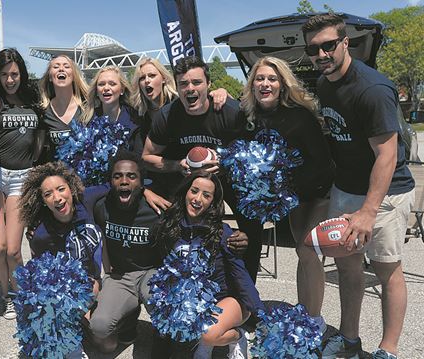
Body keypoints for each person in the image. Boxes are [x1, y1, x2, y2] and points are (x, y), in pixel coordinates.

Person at [302, 14, 415, 359]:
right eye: (313, 48)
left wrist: (367, 211)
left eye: (328, 45)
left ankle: (388, 350)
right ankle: (350, 339)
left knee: (386, 270)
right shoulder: (324, 84)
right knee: (347, 266)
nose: (321, 54)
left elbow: (387, 155)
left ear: (345, 42)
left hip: (385, 193)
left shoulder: (372, 88)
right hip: (345, 189)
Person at [142, 56, 261, 282]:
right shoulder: (168, 116)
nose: (190, 89)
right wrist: (177, 165)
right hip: (190, 180)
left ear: (208, 84)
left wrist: (227, 163)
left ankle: (246, 296)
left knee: (251, 227)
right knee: (171, 227)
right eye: (183, 84)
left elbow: (254, 155)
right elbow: (147, 157)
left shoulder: (230, 111)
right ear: (176, 87)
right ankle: (181, 286)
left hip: (230, 177)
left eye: (196, 82)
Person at [238, 56, 335, 333]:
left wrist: (281, 184)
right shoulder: (250, 117)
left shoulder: (299, 116)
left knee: (307, 250)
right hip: (292, 198)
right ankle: (304, 314)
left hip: (317, 192)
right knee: (302, 253)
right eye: (260, 78)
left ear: (282, 83)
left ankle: (314, 323)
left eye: (272, 78)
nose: (265, 84)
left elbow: (323, 163)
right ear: (252, 84)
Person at [153, 171, 264, 359]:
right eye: (194, 191)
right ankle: (206, 340)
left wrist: (261, 314)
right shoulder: (170, 229)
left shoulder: (223, 233)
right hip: (196, 304)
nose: (198, 199)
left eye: (206, 195)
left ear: (213, 202)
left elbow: (241, 276)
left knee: (208, 333)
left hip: (230, 300)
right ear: (185, 192)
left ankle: (237, 337)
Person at [0, 48, 44, 320]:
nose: (10, 80)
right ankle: (8, 296)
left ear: (22, 74)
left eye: (14, 74)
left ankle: (23, 291)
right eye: (4, 74)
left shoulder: (32, 98)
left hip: (23, 178)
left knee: (13, 249)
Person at [19, 161, 102, 359]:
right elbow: (41, 278)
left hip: (95, 280)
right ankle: (70, 347)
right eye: (48, 194)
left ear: (71, 188)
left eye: (61, 189)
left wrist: (147, 192)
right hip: (67, 290)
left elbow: (115, 187)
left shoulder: (88, 199)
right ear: (42, 201)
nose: (57, 198)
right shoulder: (41, 235)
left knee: (102, 333)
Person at [89, 150, 162, 352]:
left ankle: (163, 336)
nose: (124, 181)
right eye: (117, 176)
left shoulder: (155, 209)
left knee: (162, 304)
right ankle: (128, 321)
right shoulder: (101, 207)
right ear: (110, 181)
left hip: (152, 273)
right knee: (100, 327)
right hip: (121, 275)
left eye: (131, 176)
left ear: (141, 182)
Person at [38, 55, 89, 161]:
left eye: (66, 66)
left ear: (74, 75)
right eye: (56, 67)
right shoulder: (43, 112)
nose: (61, 69)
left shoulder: (87, 108)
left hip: (83, 176)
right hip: (56, 175)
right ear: (50, 77)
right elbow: (37, 152)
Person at [83, 66, 143, 154]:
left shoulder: (135, 120)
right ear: (96, 91)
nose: (106, 88)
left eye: (112, 84)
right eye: (101, 84)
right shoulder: (87, 120)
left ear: (122, 90)